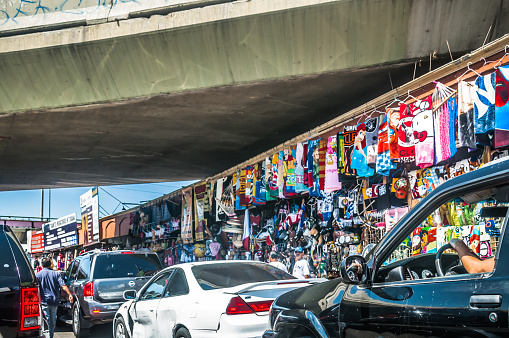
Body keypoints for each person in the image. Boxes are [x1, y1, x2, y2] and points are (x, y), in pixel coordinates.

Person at [36, 257, 74, 338]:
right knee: (53, 321)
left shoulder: (38, 275)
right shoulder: (56, 274)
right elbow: (63, 285)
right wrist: (69, 294)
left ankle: (48, 336)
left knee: (46, 321)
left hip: (44, 302)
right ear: (50, 264)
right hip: (54, 302)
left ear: (42, 265)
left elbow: (36, 288)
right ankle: (50, 336)